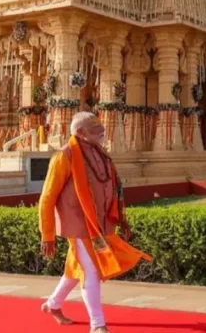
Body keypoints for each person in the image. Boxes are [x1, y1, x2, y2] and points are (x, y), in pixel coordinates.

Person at [39, 112, 151, 333]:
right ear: (79, 133)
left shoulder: (100, 154)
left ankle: (52, 305)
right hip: (80, 226)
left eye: (100, 126)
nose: (101, 131)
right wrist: (47, 235)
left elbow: (113, 189)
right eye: (94, 128)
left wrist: (121, 219)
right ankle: (97, 324)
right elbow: (47, 197)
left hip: (101, 226)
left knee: (75, 269)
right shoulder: (65, 156)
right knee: (92, 271)